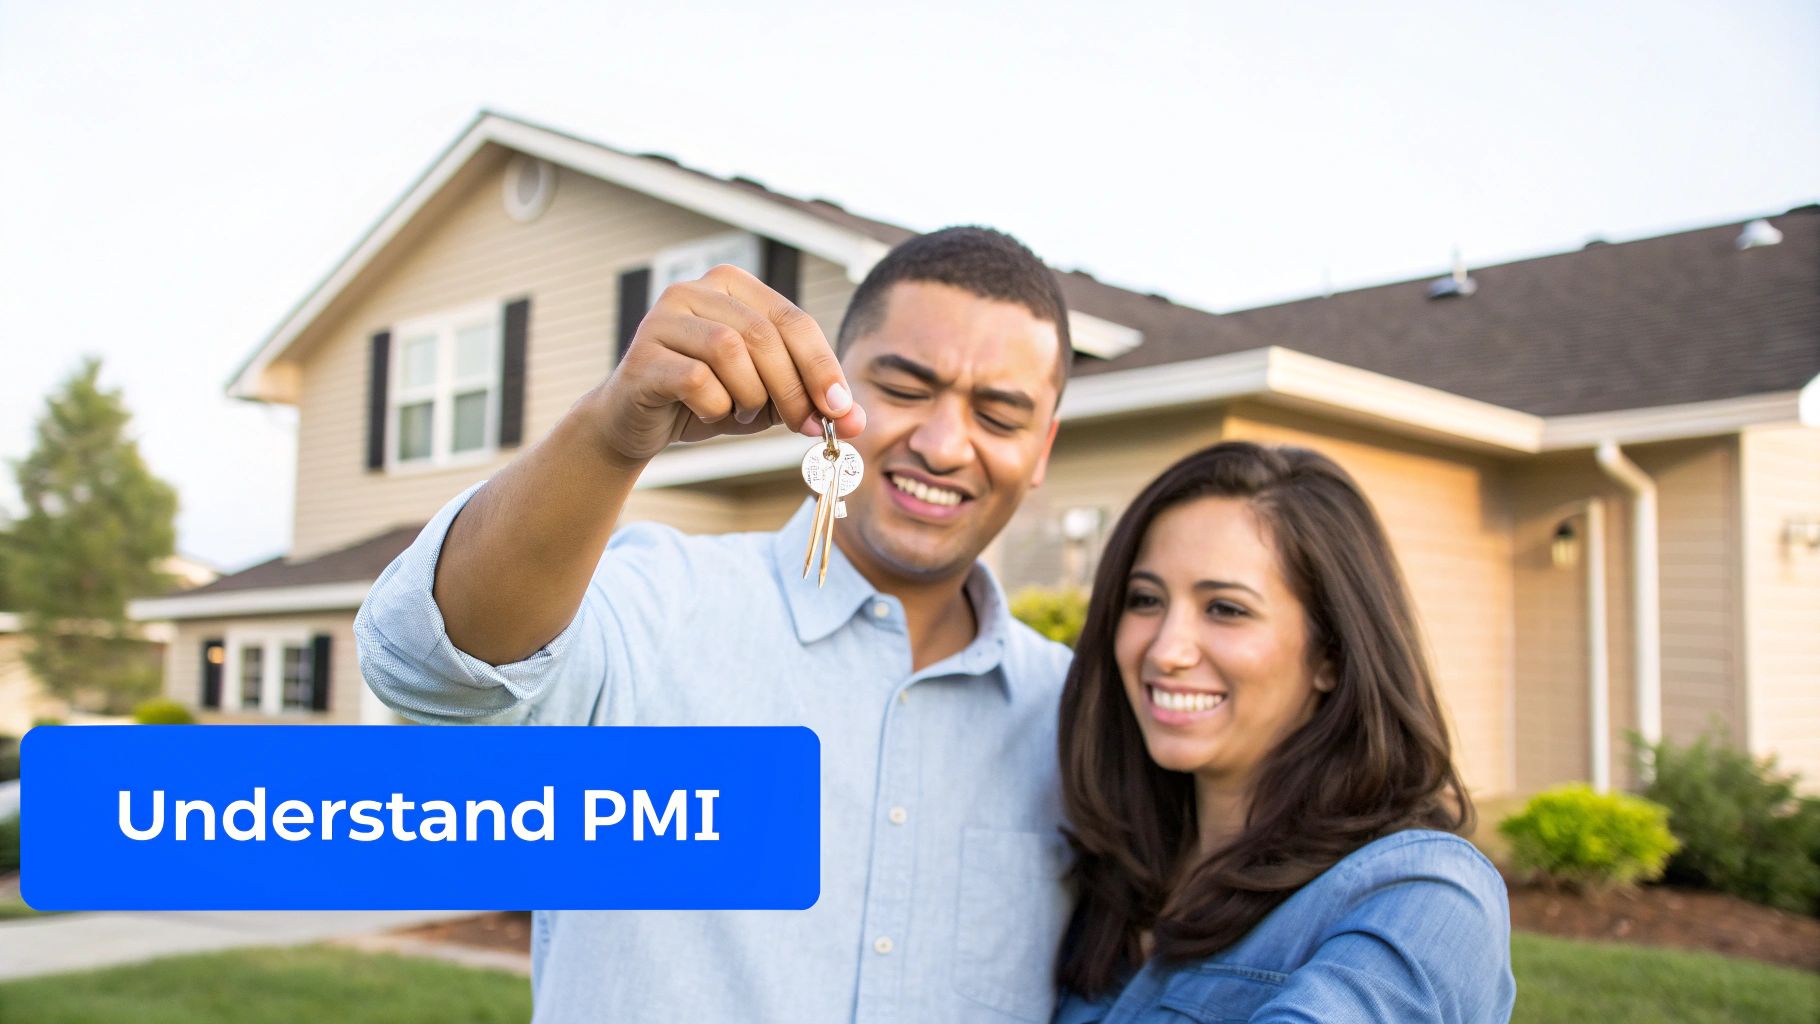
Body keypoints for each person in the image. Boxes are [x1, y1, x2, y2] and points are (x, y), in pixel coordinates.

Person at [355, 226, 1078, 1022]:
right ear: (832, 383)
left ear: (1042, 447)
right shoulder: (662, 605)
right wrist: (609, 433)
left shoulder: (1078, 714)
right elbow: (433, 664)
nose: (943, 446)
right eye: (905, 389)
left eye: (999, 415)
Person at [1053, 441, 1515, 1023]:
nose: (1166, 650)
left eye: (1225, 608)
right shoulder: (1106, 881)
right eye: (1145, 600)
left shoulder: (1423, 899)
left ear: (1332, 655)